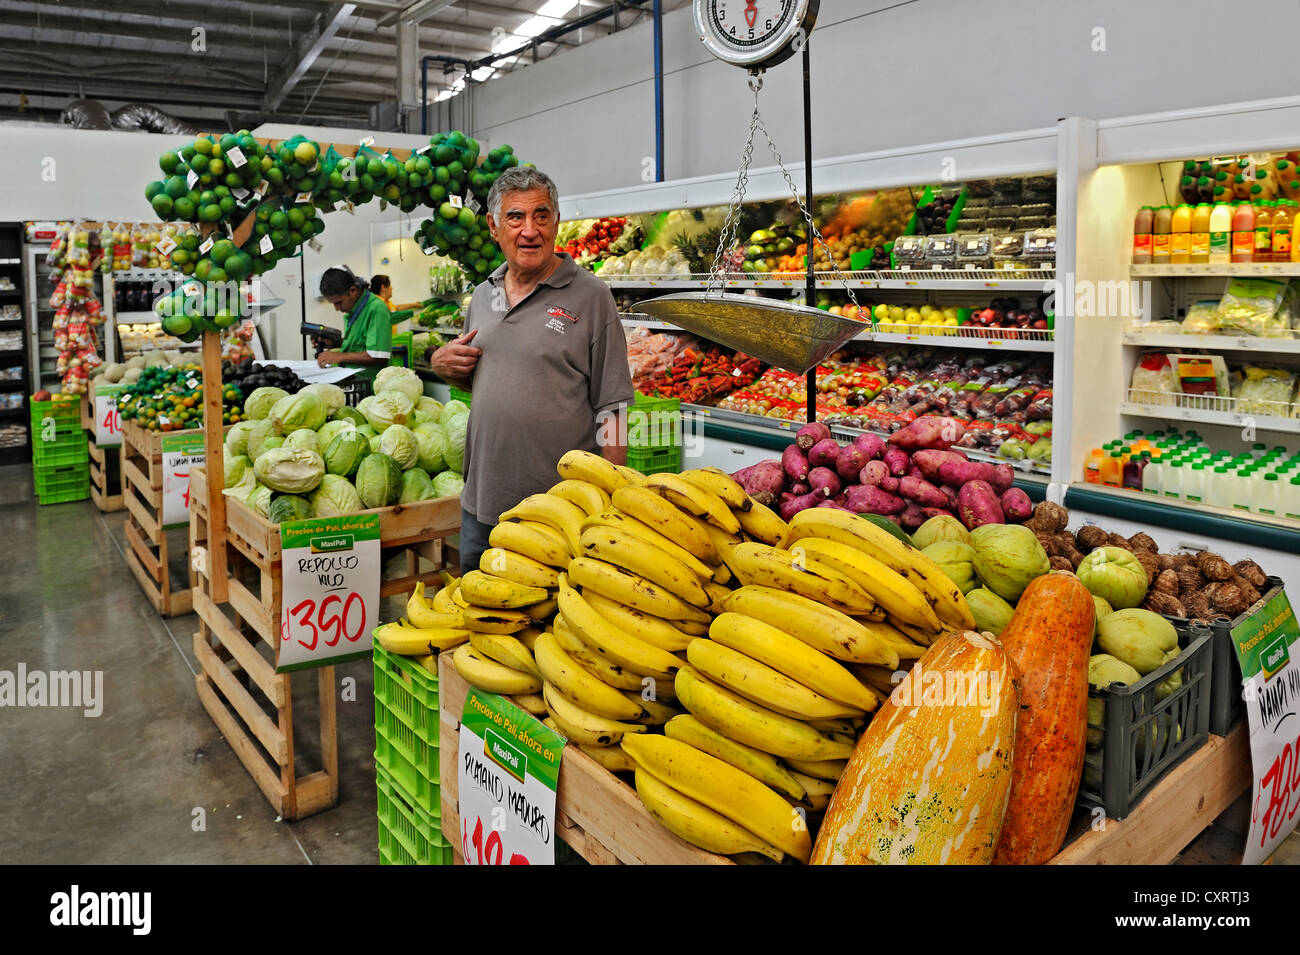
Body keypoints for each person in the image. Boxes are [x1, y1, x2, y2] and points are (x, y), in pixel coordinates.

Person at [429, 166, 633, 574]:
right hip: (482, 502)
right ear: (493, 226)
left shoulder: (592, 297)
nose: (529, 230)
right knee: (481, 619)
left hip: (558, 513)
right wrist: (441, 364)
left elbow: (614, 407)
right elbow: (480, 380)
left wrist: (613, 496)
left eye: (541, 216)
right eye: (515, 217)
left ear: (556, 223)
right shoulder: (482, 296)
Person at [314, 266, 392, 385]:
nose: (337, 309)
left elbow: (378, 354)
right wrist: (334, 343)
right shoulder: (354, 310)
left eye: (339, 302)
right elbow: (359, 345)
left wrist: (339, 356)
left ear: (353, 290)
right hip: (353, 380)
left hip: (370, 385)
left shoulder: (376, 309)